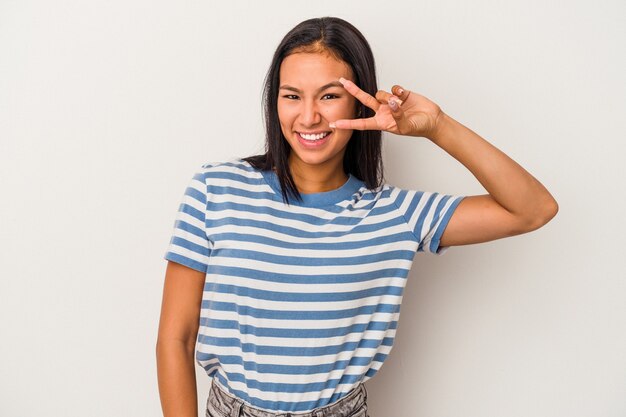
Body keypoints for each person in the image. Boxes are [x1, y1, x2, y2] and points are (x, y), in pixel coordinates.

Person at [156, 16, 558, 417]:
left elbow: (532, 209)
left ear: (360, 99)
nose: (309, 116)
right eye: (292, 96)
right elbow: (176, 337)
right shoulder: (217, 189)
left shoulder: (396, 214)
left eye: (329, 96)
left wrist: (437, 126)